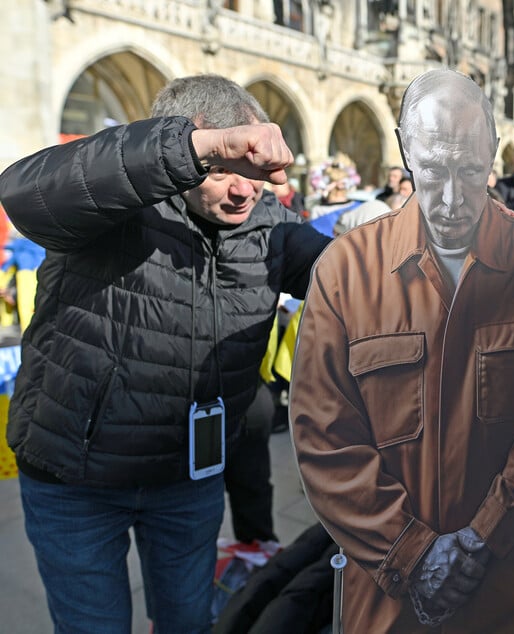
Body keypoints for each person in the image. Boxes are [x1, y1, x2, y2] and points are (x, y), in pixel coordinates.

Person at [0, 74, 332, 632]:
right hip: (73, 479)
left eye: (254, 173)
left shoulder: (271, 229)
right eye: (226, 167)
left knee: (187, 621)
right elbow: (26, 194)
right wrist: (198, 149)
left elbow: (356, 277)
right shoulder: (115, 205)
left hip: (187, 479)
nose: (244, 190)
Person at [290, 69, 514, 632]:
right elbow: (323, 436)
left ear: (493, 153)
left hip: (505, 593)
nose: (449, 199)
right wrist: (410, 550)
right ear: (404, 153)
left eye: (469, 171)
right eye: (432, 171)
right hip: (389, 603)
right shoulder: (346, 270)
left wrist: (481, 537)